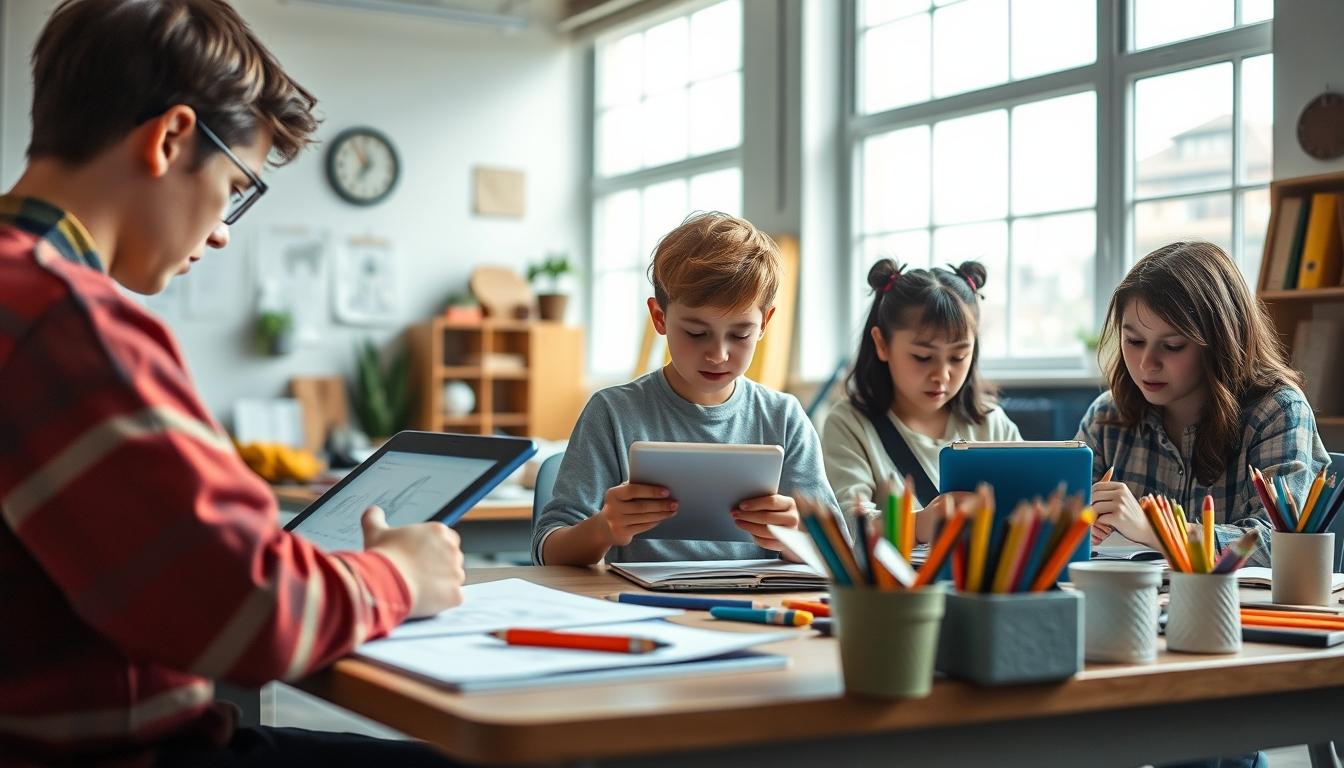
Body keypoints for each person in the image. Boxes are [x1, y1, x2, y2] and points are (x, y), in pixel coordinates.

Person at [0, 1, 465, 764]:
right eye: (236, 185)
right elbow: (249, 613)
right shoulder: (62, 319)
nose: (220, 230)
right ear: (172, 137)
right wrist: (401, 574)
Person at [534, 212, 837, 566]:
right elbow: (548, 550)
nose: (718, 354)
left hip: (754, 609)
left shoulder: (784, 418)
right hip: (640, 607)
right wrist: (604, 529)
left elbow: (839, 554)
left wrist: (796, 535)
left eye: (740, 334)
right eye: (696, 332)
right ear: (660, 318)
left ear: (765, 324)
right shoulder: (612, 412)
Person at [1080, 241, 1328, 566]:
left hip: (1244, 613)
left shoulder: (1277, 411)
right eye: (1134, 341)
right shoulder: (1105, 417)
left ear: (1221, 343)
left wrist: (1155, 529)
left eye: (1172, 346)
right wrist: (1082, 522)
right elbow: (1061, 526)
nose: (1146, 364)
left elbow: (1281, 544)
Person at [822, 258, 1020, 541]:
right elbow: (844, 524)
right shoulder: (849, 424)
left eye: (958, 357)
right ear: (881, 344)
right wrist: (917, 525)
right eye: (923, 357)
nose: (942, 375)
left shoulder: (993, 424)